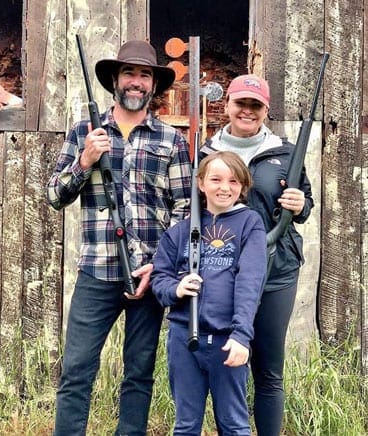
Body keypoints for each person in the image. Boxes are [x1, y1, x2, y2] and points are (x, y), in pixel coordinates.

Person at [46, 40, 193, 435]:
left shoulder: (171, 140)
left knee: (139, 374)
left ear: (153, 85)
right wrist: (85, 161)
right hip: (96, 271)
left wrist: (159, 265)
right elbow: (54, 196)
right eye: (129, 73)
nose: (136, 82)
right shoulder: (84, 131)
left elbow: (184, 211)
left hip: (148, 276)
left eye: (144, 75)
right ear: (115, 79)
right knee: (76, 371)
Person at [199, 74, 313, 435]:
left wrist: (300, 203)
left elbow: (305, 204)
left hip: (276, 271)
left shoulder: (286, 151)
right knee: (227, 364)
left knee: (268, 370)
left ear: (266, 110)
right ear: (227, 105)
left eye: (255, 105)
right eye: (241, 103)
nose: (247, 111)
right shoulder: (206, 151)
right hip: (222, 272)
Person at [152, 151, 267, 435]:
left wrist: (241, 336)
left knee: (233, 423)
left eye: (233, 181)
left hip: (227, 341)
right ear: (201, 183)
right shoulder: (180, 232)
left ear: (242, 187)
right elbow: (159, 278)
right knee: (186, 424)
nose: (224, 187)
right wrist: (176, 289)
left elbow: (250, 281)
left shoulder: (249, 223)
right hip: (183, 339)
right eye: (215, 179)